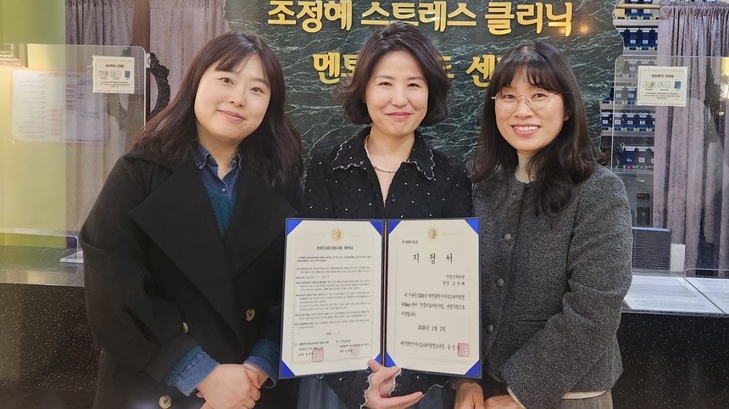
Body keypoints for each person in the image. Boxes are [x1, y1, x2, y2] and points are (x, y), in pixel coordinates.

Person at [80, 31, 303, 409]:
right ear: (196, 82)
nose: (238, 98)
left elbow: (298, 285)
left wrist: (259, 365)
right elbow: (113, 290)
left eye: (256, 89)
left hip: (253, 390)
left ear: (270, 104)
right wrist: (201, 373)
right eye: (227, 79)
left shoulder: (282, 180)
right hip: (155, 386)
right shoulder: (139, 172)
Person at [297, 23, 472, 409]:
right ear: (364, 89)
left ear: (430, 91)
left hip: (422, 383)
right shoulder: (327, 167)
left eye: (414, 84)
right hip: (335, 374)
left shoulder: (450, 175)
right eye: (385, 83)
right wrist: (358, 389)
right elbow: (313, 285)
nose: (400, 98)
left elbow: (457, 295)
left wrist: (403, 385)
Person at [455, 41, 632, 409]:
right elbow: (457, 290)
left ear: (567, 108)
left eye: (539, 95)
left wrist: (521, 393)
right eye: (508, 96)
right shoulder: (482, 185)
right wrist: (464, 377)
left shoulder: (598, 190)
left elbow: (595, 310)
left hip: (569, 395)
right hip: (484, 389)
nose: (522, 110)